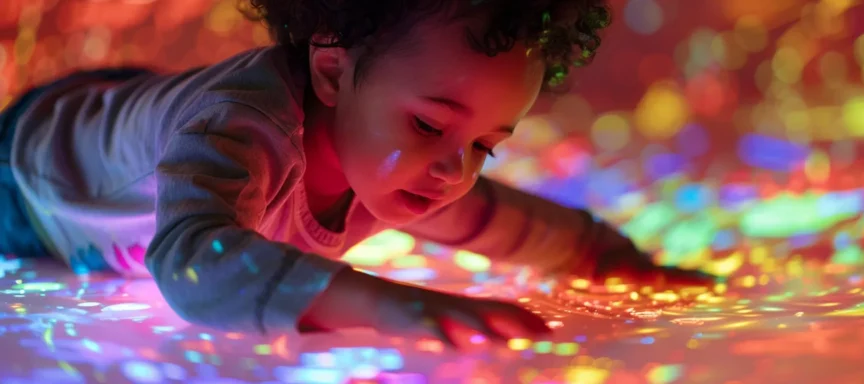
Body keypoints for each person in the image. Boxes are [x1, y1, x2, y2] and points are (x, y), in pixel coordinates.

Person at [0, 0, 714, 347]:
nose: (453, 171)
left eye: (484, 146)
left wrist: (611, 257)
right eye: (432, 125)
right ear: (332, 72)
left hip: (141, 105)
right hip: (32, 170)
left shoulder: (394, 164)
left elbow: (492, 218)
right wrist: (383, 306)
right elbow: (191, 259)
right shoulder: (244, 132)